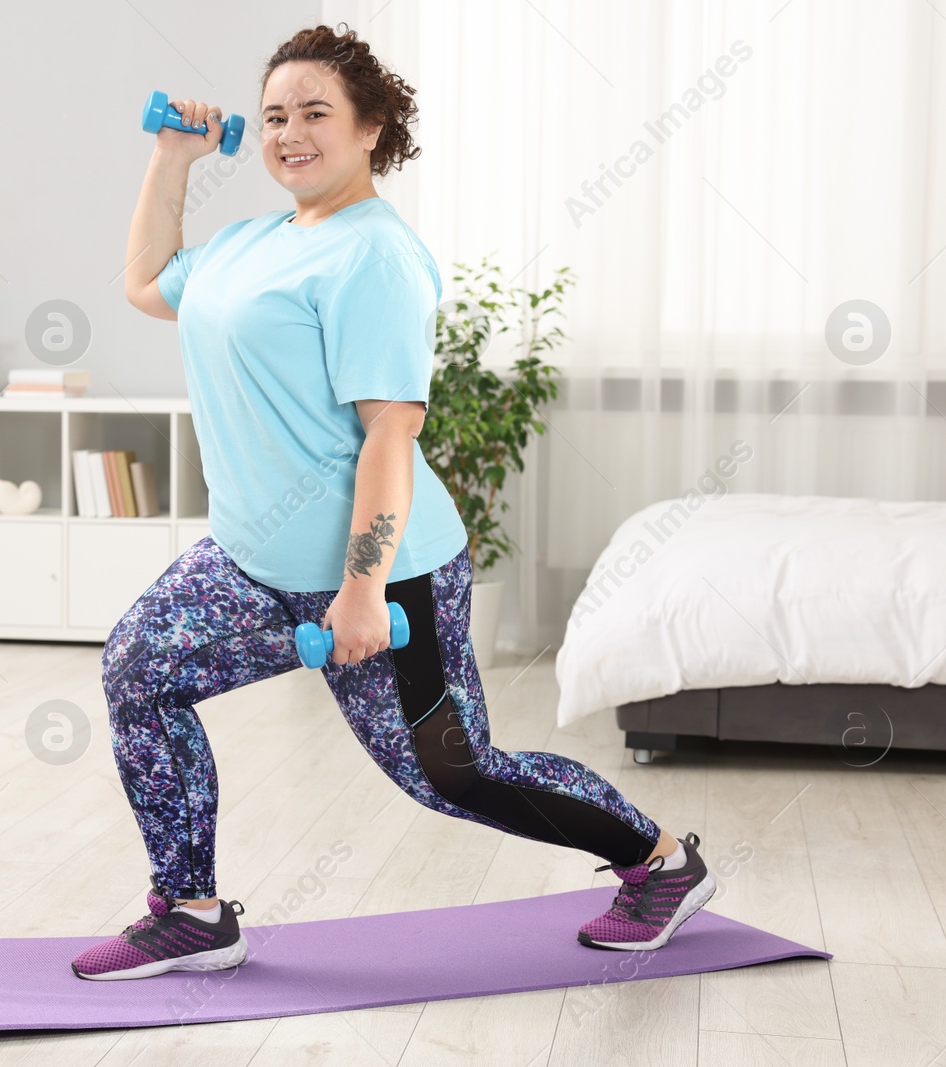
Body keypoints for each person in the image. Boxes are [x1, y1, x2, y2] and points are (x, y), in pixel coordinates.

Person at [72, 24, 714, 982]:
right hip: (249, 560)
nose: (291, 131)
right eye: (278, 113)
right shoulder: (254, 242)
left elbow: (389, 433)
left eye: (316, 113)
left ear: (373, 127)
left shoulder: (375, 257)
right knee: (140, 670)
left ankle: (660, 863)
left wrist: (363, 589)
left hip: (384, 569)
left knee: (450, 772)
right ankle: (193, 908)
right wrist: (173, 157)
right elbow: (144, 283)